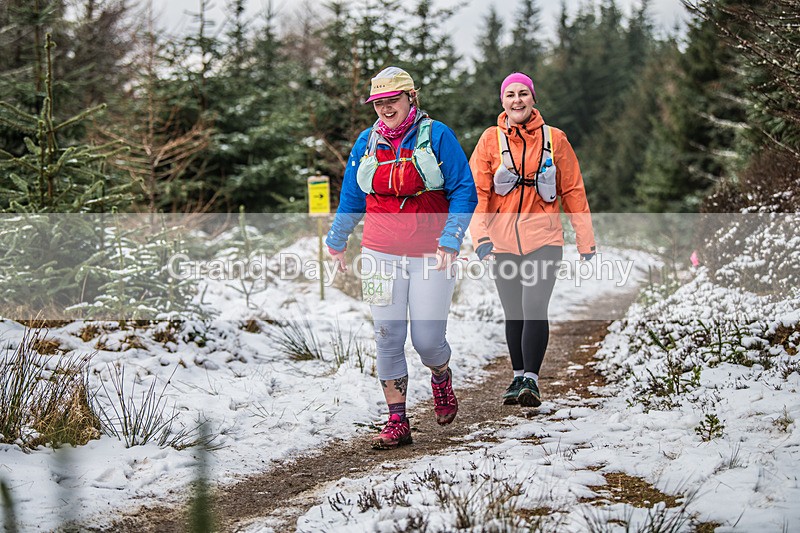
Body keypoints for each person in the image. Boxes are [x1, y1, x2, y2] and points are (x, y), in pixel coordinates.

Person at [326, 66, 477, 449]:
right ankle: (397, 421)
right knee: (387, 336)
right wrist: (337, 239)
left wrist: (451, 239)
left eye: (392, 100)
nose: (385, 109)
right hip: (378, 252)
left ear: (412, 97)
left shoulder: (438, 135)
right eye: (378, 103)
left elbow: (464, 191)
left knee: (427, 340)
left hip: (431, 253)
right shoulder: (366, 142)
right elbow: (351, 197)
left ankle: (440, 375)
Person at [468, 72, 596, 408]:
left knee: (534, 306)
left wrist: (585, 242)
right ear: (502, 101)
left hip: (545, 239)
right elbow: (477, 194)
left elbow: (573, 192)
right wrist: (480, 238)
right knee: (514, 312)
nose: (517, 100)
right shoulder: (490, 140)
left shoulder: (556, 139)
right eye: (510, 95)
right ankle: (517, 375)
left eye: (523, 93)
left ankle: (532, 381)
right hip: (501, 242)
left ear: (533, 99)